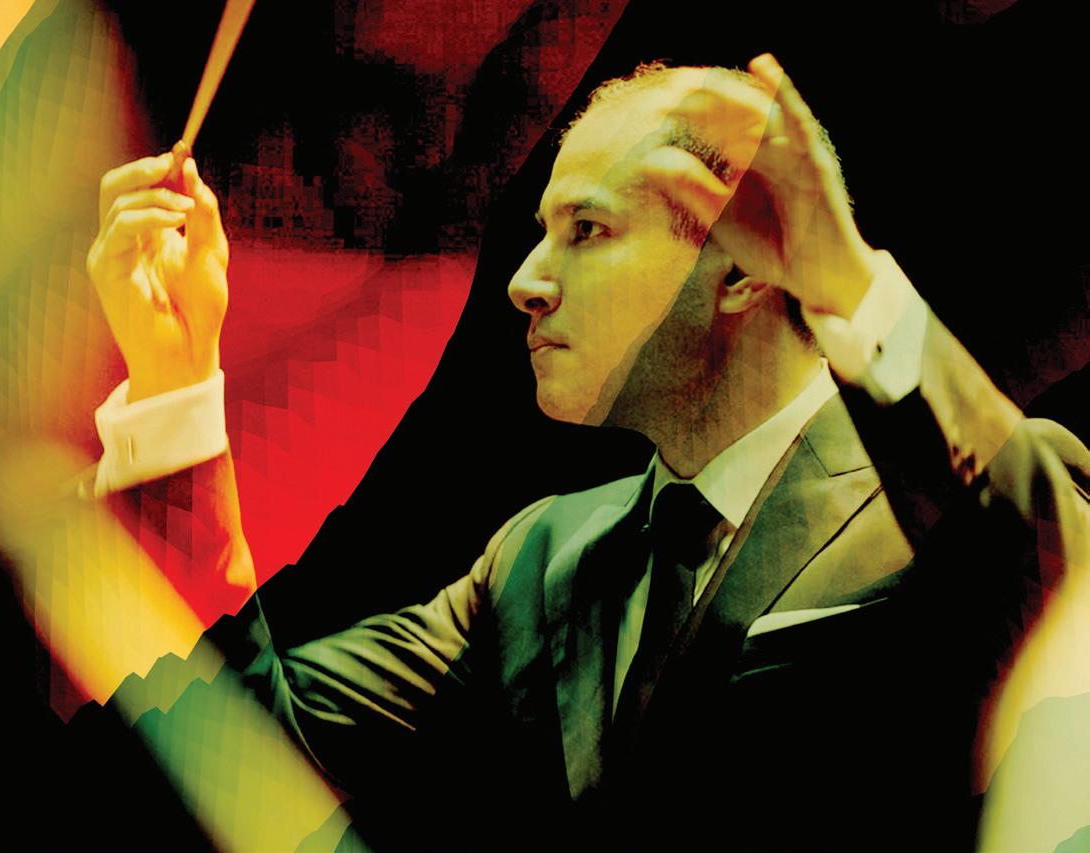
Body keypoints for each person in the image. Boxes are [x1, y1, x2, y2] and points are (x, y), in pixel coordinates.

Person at [83, 54, 1087, 849]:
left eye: (587, 229)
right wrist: (174, 379)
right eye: (541, 232)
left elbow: (1051, 587)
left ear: (743, 266)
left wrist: (846, 282)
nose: (524, 281)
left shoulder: (963, 513)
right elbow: (233, 741)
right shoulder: (539, 557)